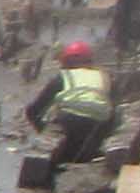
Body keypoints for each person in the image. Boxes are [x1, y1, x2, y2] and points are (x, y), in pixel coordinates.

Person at [24, 35, 119, 165]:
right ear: (90, 61)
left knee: (65, 144)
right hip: (99, 124)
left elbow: (33, 110)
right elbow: (113, 107)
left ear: (66, 62)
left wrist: (43, 129)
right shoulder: (104, 76)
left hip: (69, 121)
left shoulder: (63, 77)